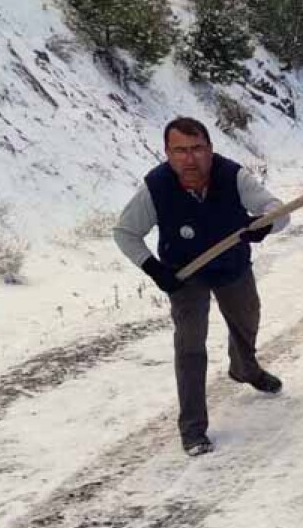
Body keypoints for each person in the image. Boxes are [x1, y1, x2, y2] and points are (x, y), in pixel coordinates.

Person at [113, 117, 288, 456]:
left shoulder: (233, 176)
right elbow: (125, 233)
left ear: (210, 149)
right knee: (190, 347)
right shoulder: (157, 187)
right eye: (180, 151)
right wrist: (153, 269)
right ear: (167, 153)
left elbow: (278, 211)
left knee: (247, 322)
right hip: (184, 273)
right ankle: (193, 429)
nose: (189, 159)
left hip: (231, 266)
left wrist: (262, 226)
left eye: (197, 149)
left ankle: (245, 369)